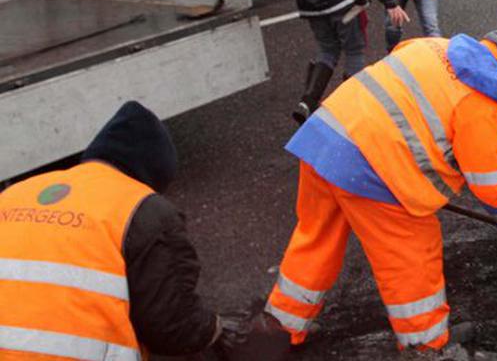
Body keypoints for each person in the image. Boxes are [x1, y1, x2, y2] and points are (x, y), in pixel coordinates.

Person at [264, 31, 497, 354]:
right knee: (413, 252)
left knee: (316, 238)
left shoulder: (434, 45)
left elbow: (408, 103)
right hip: (373, 167)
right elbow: (493, 186)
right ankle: (426, 345)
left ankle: (278, 330)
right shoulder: (481, 95)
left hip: (326, 136)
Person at [0, 102, 287, 359]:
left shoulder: (15, 193)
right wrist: (216, 329)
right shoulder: (142, 208)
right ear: (152, 173)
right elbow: (171, 326)